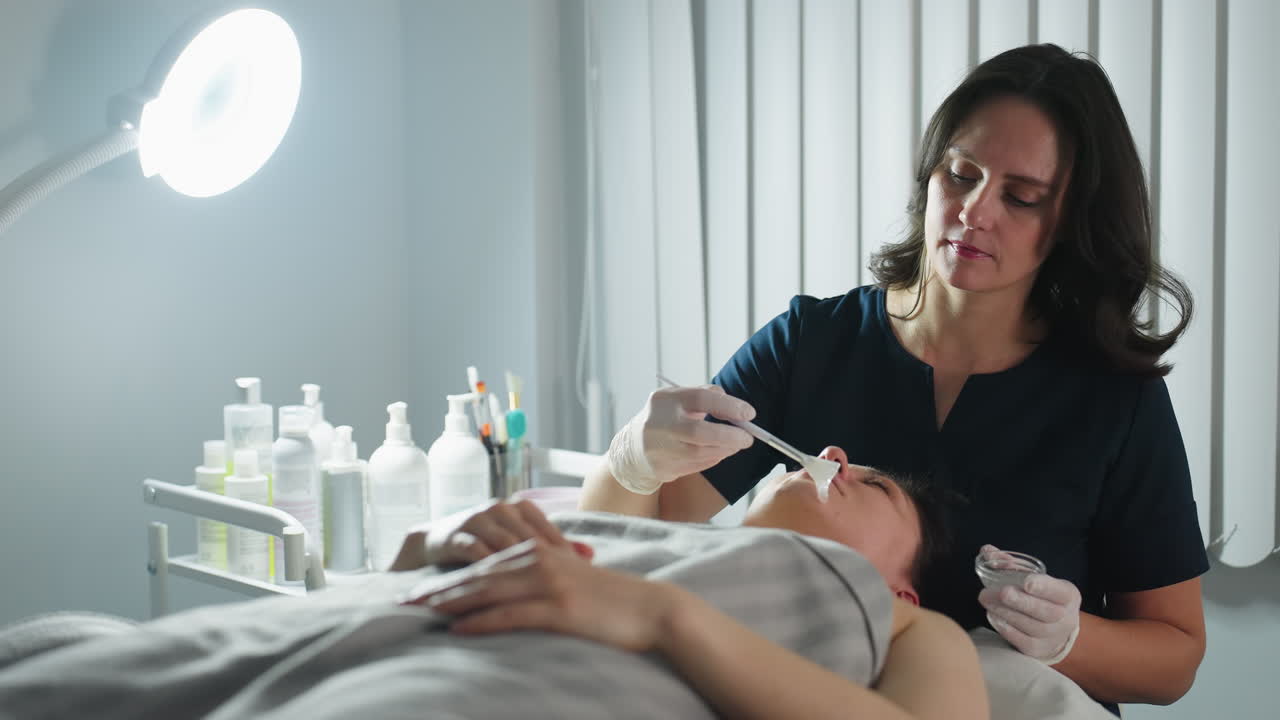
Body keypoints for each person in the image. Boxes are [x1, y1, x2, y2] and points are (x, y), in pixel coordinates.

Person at [580, 43, 1207, 714]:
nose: (974, 211)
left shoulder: (1112, 399)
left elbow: (1174, 659)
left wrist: (1068, 640)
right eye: (961, 174)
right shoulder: (814, 345)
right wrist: (634, 461)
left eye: (1021, 198)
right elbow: (635, 537)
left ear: (1072, 225)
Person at [0, 450, 987, 720]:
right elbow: (379, 596)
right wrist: (436, 548)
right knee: (62, 659)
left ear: (900, 589)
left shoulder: (902, 633)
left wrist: (653, 614)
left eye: (874, 484)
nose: (830, 456)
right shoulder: (654, 536)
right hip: (364, 631)